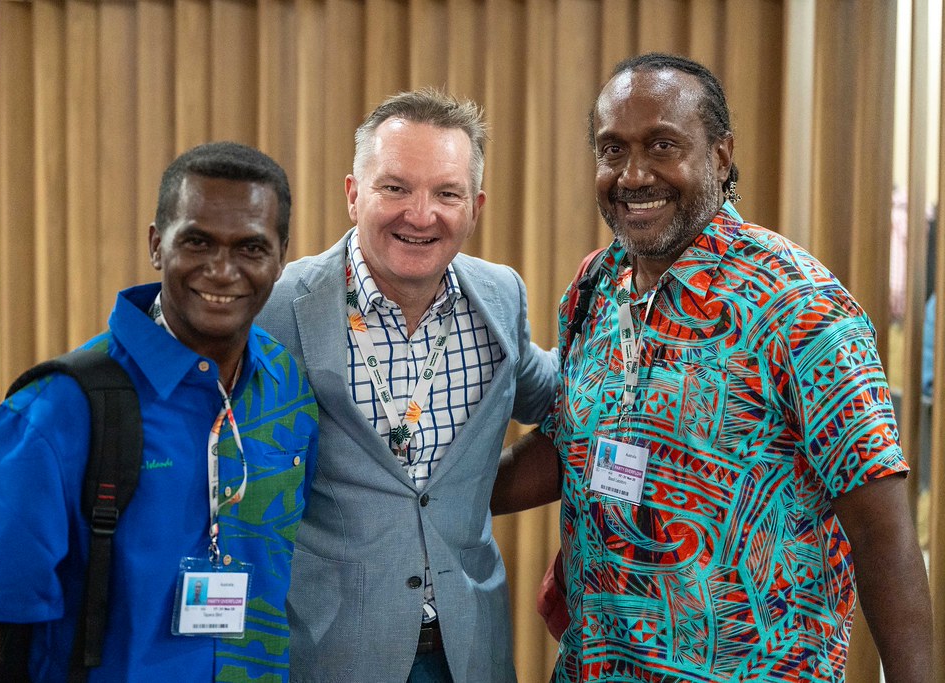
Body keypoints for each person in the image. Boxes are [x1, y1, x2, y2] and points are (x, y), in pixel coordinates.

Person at [492, 53, 933, 681]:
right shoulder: (595, 285)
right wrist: (431, 497)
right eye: (612, 150)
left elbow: (881, 528)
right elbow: (573, 447)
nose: (633, 174)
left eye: (662, 146)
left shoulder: (798, 306)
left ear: (721, 157)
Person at [0, 142, 319, 682]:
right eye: (198, 241)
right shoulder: (56, 411)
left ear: (280, 258)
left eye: (251, 247)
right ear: (157, 245)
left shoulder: (287, 389)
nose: (222, 270)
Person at [257, 88, 557, 682]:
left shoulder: (500, 298)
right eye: (395, 188)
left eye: (447, 193)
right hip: (332, 653)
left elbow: (565, 400)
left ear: (475, 207)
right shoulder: (280, 306)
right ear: (353, 194)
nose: (421, 215)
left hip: (469, 652)